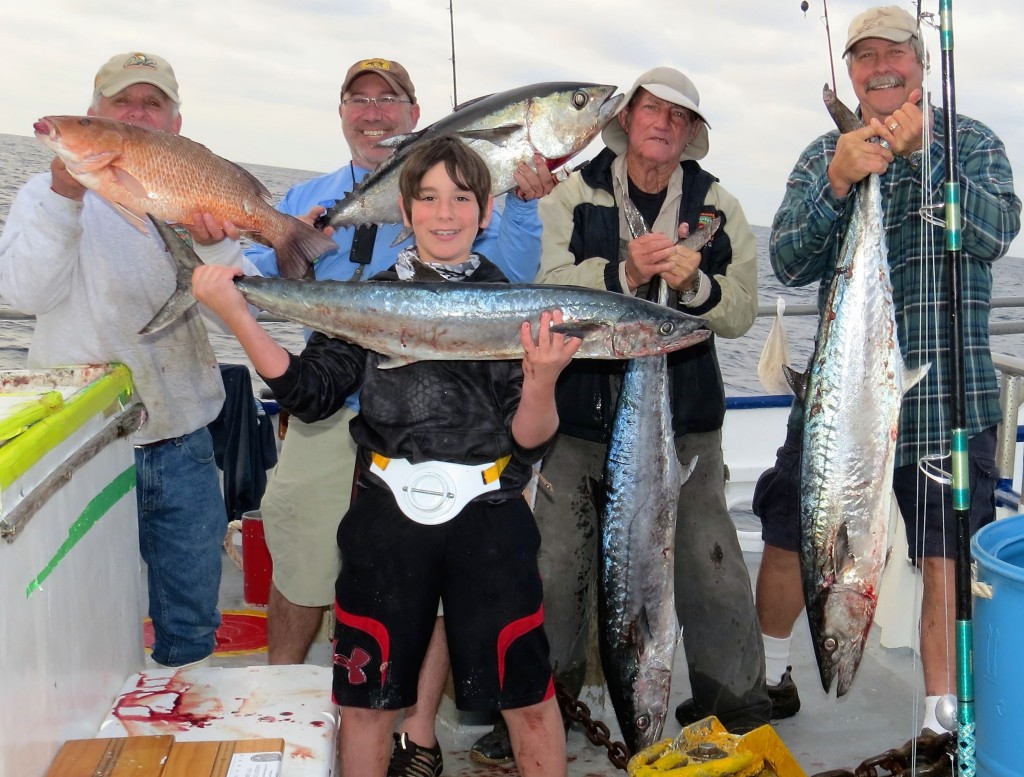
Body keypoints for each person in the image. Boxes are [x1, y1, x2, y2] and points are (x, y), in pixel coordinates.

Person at [192, 134, 578, 777]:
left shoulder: (517, 305)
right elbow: (310, 394)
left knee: (529, 702)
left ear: (487, 213)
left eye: (462, 198)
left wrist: (540, 381)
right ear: (405, 211)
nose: (445, 213)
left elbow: (530, 440)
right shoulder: (367, 296)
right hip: (385, 518)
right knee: (367, 705)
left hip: (490, 517)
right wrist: (238, 315)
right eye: (427, 198)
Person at [471, 65, 770, 763]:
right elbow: (543, 288)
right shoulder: (572, 192)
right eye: (650, 109)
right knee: (554, 562)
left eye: (678, 116)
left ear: (692, 133)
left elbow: (742, 310)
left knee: (709, 558)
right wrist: (626, 275)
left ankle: (737, 702)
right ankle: (545, 701)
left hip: (686, 423)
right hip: (576, 419)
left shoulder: (718, 203)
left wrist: (692, 280)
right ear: (626, 117)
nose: (662, 123)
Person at [753, 4, 1021, 735]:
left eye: (894, 54)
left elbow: (997, 230)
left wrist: (923, 158)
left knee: (943, 555)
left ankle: (940, 720)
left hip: (945, 400)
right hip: (841, 408)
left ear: (921, 63)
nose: (880, 68)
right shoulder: (822, 153)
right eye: (864, 57)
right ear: (850, 73)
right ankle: (771, 675)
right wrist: (838, 182)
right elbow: (786, 260)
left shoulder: (969, 142)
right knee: (789, 531)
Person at [0, 51, 247, 667]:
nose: (136, 112)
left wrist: (215, 242)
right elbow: (24, 294)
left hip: (183, 435)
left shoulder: (197, 203)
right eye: (120, 104)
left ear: (174, 126)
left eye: (152, 103)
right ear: (94, 116)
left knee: (192, 607)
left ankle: (184, 713)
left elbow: (231, 317)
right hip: (86, 442)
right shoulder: (42, 195)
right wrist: (64, 197)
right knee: (82, 605)